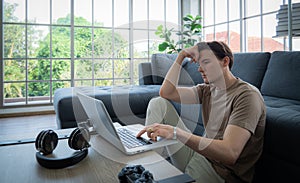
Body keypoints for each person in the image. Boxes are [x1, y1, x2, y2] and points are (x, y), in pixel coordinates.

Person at [137, 41, 266, 183]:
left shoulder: (247, 95)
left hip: (220, 172)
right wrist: (181, 56)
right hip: (200, 155)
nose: (200, 69)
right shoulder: (207, 89)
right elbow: (166, 92)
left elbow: (230, 153)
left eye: (206, 62)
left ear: (225, 61)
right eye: (199, 63)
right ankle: (145, 166)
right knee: (158, 103)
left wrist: (176, 132)